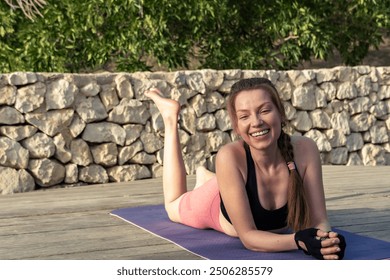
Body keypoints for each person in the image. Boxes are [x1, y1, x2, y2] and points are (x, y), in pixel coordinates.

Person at [145, 77, 346, 260]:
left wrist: (328, 241)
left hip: (235, 181)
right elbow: (249, 238)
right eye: (244, 116)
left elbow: (319, 220)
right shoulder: (229, 156)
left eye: (265, 110)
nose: (256, 122)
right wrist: (299, 241)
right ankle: (170, 118)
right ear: (236, 126)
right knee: (173, 205)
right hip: (212, 203)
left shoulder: (305, 149)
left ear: (281, 113)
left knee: (221, 181)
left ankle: (206, 178)